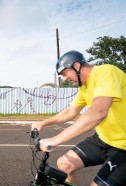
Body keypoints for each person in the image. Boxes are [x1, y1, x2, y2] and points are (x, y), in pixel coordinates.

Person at [31, 50, 126, 186]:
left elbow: (98, 111)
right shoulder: (84, 87)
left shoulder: (106, 72)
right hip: (104, 140)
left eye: (64, 73)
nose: (63, 78)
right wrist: (43, 123)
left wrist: (55, 139)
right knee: (64, 165)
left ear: (76, 66)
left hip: (124, 147)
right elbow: (70, 111)